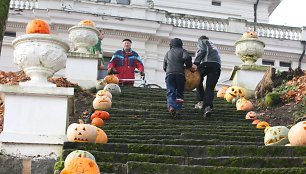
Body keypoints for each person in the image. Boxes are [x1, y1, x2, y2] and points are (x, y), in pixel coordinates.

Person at [192, 35, 221, 117]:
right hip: (217, 66)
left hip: (207, 63)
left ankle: (201, 101)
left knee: (197, 79)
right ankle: (208, 107)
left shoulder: (202, 42)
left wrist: (196, 63)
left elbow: (202, 51)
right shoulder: (213, 45)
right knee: (210, 87)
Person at [163, 38, 192, 118]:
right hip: (180, 74)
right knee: (179, 92)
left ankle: (171, 106)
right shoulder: (183, 51)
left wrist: (168, 70)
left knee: (170, 91)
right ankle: (178, 108)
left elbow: (164, 66)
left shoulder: (168, 53)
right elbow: (187, 58)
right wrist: (188, 65)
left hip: (169, 74)